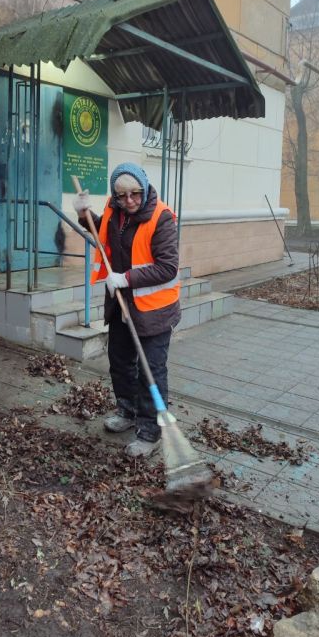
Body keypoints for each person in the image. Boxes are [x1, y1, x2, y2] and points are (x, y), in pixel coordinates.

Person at [73, 163, 181, 458]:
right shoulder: (115, 211)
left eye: (135, 194)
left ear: (144, 190)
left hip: (154, 310)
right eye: (122, 195)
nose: (129, 200)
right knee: (120, 361)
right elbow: (103, 231)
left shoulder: (162, 218)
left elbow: (168, 267)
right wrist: (84, 215)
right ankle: (128, 410)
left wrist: (126, 278)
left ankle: (150, 431)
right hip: (121, 305)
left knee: (151, 372)